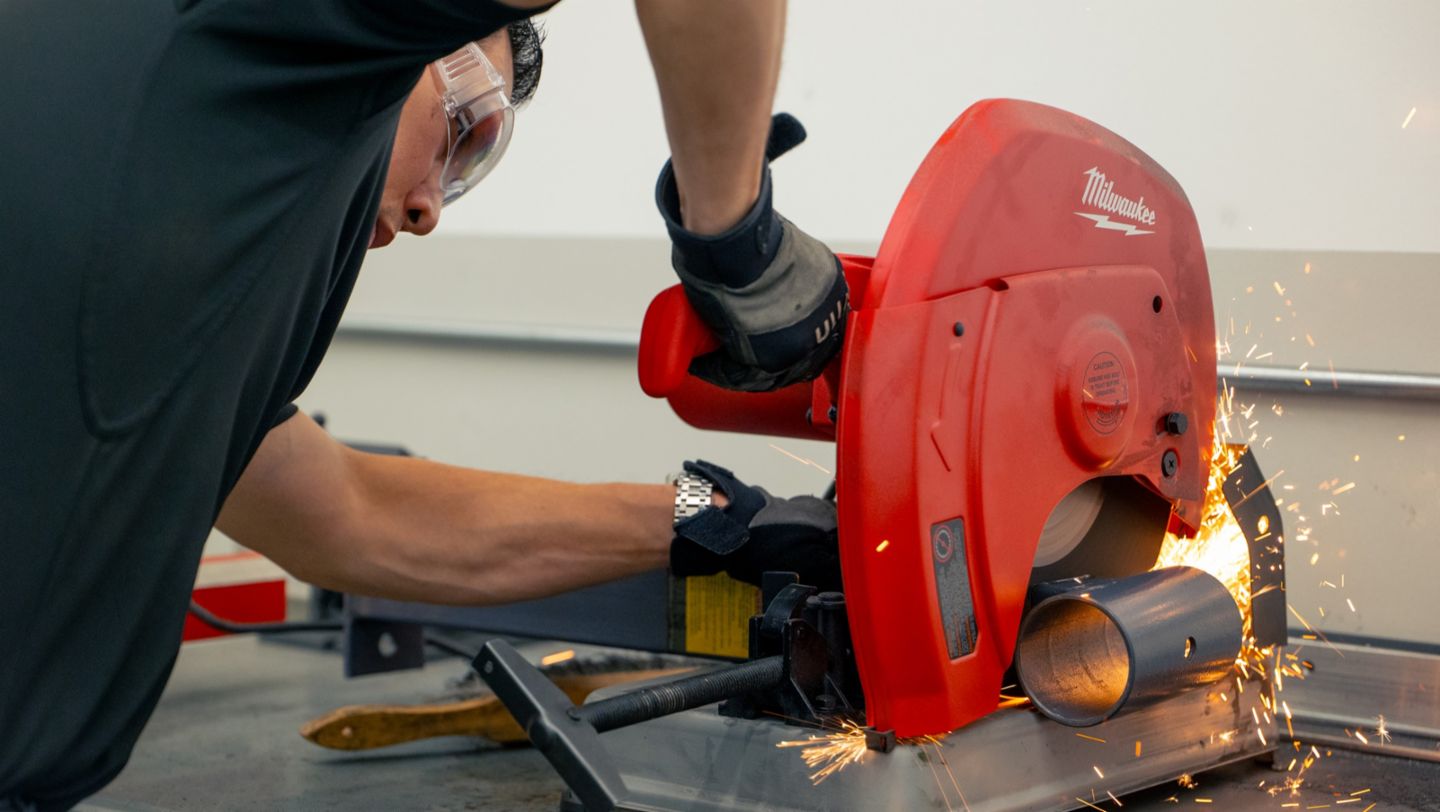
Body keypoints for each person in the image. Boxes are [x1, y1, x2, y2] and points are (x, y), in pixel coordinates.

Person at [0, 1, 847, 809]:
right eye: (461, 132)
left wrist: (715, 517)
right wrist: (735, 244)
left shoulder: (184, 275)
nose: (430, 208)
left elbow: (349, 515)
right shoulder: (257, 24)